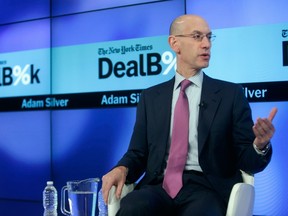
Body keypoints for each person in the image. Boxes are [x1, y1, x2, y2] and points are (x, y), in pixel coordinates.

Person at [101, 14, 277, 216]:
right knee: (132, 208)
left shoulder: (230, 95)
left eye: (209, 37)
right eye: (197, 37)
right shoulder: (150, 97)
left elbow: (248, 161)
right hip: (159, 187)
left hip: (207, 188)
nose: (206, 44)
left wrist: (260, 146)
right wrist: (121, 168)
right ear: (174, 43)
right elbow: (137, 153)